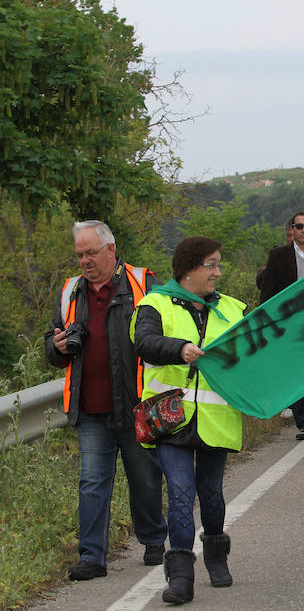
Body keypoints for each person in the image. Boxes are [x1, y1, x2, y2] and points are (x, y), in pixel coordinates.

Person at [44, 220, 166, 581]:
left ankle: (154, 540)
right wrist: (57, 346)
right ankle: (92, 556)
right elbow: (52, 347)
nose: (84, 260)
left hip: (136, 404)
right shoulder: (70, 291)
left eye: (90, 253)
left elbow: (164, 336)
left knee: (144, 477)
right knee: (92, 481)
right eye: (79, 254)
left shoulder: (143, 283)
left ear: (110, 250)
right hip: (89, 407)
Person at [131, 236, 246, 604]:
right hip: (170, 420)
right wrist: (179, 349)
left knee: (210, 494)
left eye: (218, 264)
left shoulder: (232, 309)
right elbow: (144, 342)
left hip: (216, 418)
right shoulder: (153, 304)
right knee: (180, 492)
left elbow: (251, 356)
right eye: (211, 265)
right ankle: (180, 576)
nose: (218, 272)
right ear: (189, 270)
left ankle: (216, 556)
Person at [259, 211, 304, 441]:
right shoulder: (278, 256)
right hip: (289, 325)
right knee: (296, 374)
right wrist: (267, 322)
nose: (303, 230)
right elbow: (267, 292)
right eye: (299, 226)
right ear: (292, 229)